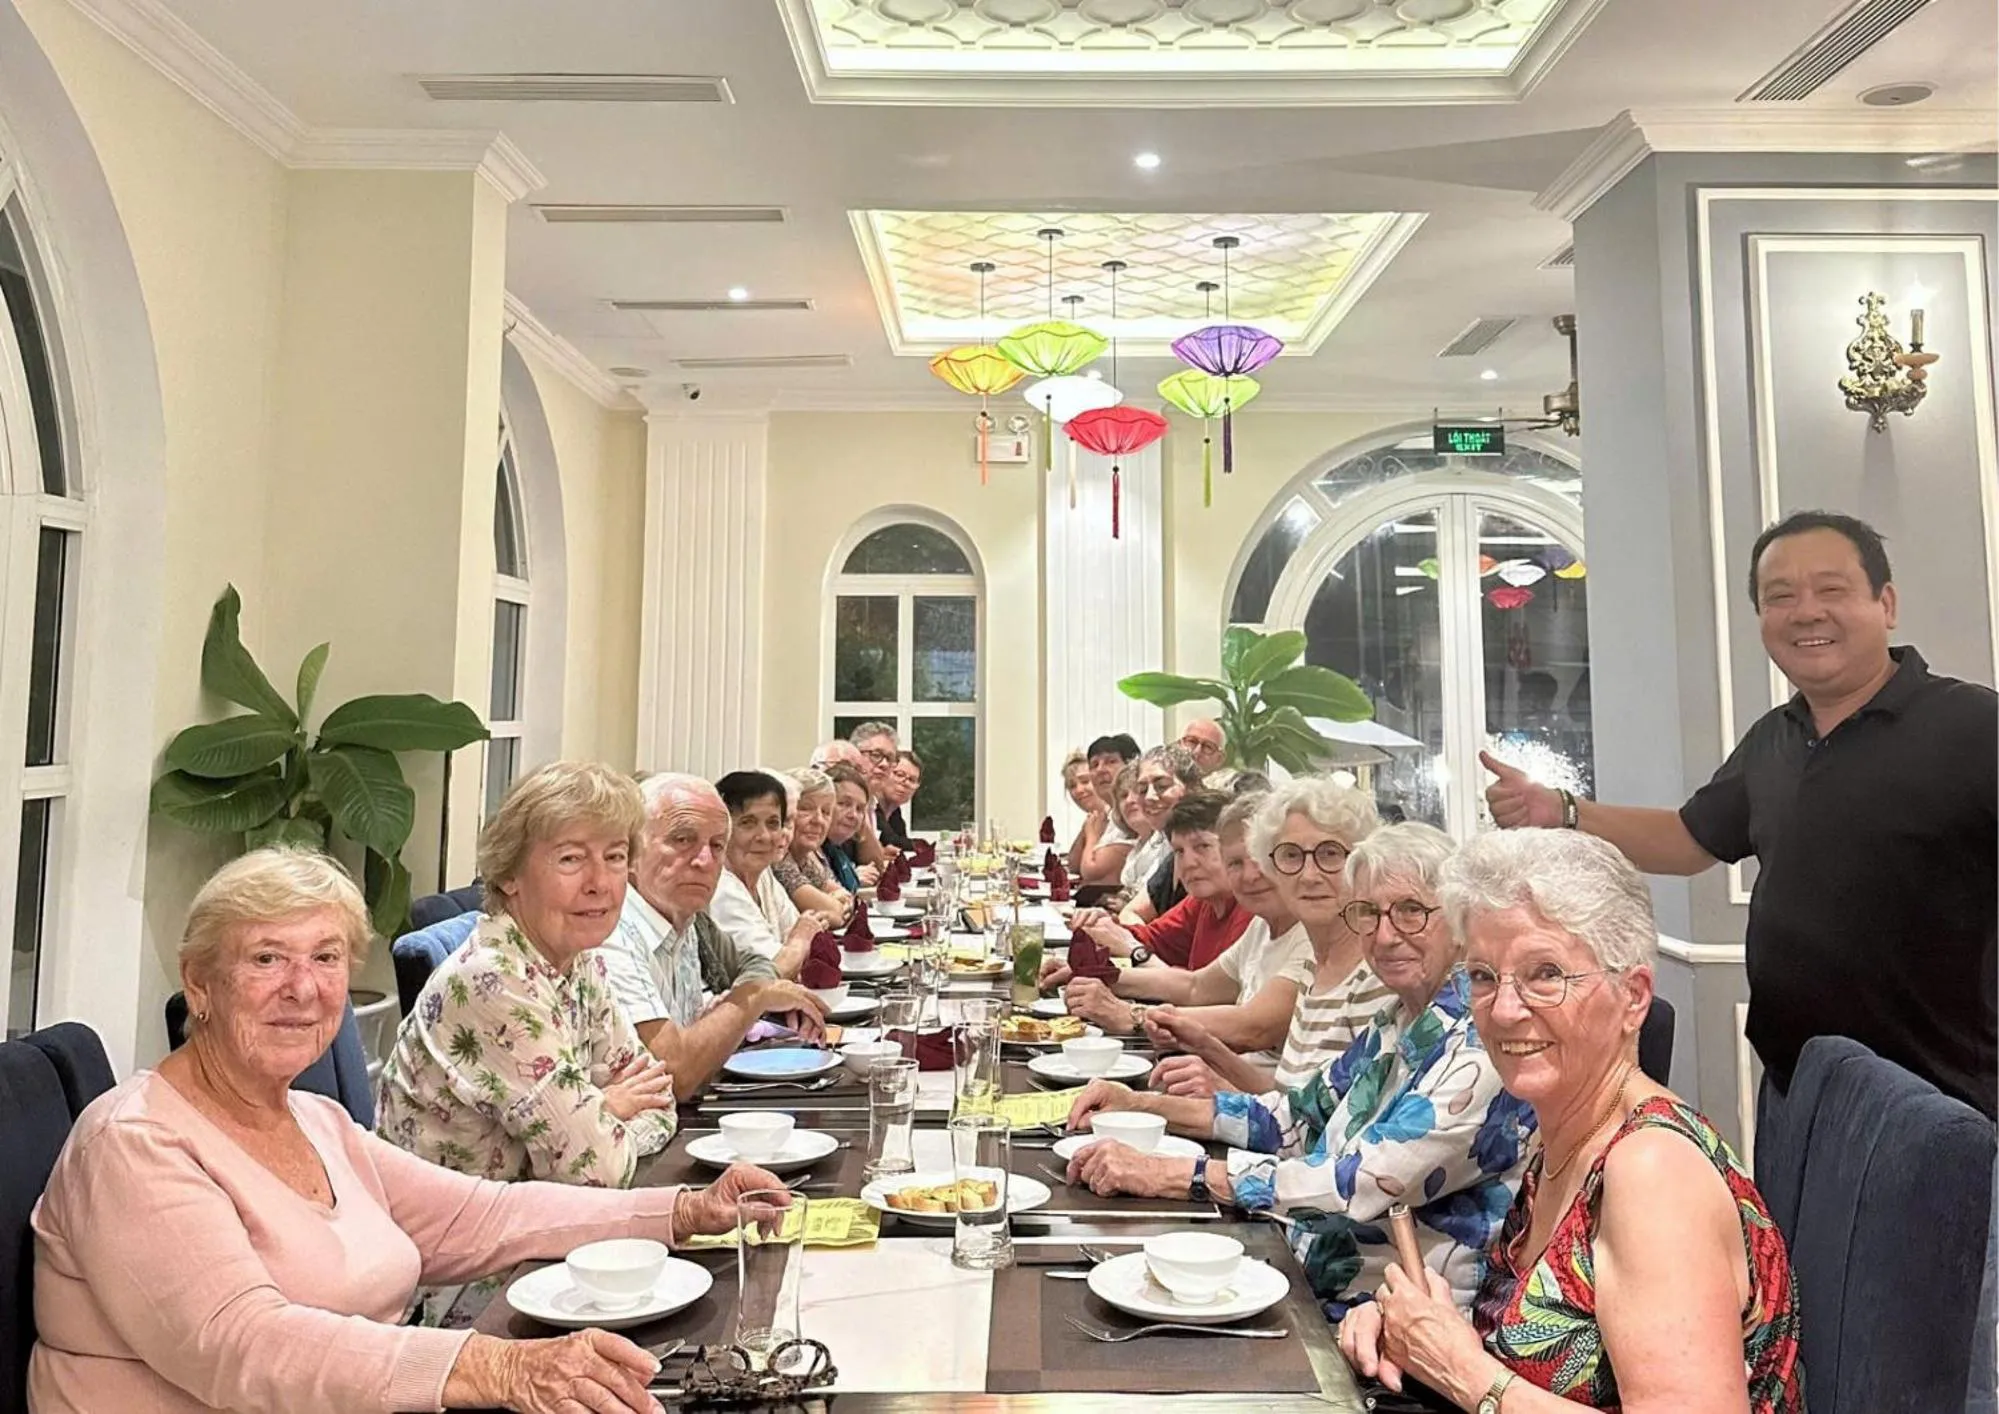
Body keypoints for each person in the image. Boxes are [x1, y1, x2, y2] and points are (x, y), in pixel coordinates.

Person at [28, 845, 790, 1414]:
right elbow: (244, 1346)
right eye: (266, 958)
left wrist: (682, 1212)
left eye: (326, 957)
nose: (303, 987)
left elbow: (481, 1215)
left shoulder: (310, 1117)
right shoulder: (135, 1143)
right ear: (200, 982)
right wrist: (495, 1369)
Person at [1483, 510, 1996, 1118]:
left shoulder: (1973, 726)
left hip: (1941, 1099)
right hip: (1795, 1086)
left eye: (1831, 590)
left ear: (1885, 603)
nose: (1806, 612)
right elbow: (1688, 838)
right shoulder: (1773, 740)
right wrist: (1562, 810)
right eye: (1780, 597)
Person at [1341, 828, 1803, 1413]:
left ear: (1633, 997)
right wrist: (1414, 1328)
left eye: (1546, 975)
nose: (1505, 1011)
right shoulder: (1564, 1134)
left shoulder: (1653, 1173)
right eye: (1483, 976)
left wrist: (1459, 1368)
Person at [1064, 822, 1533, 1321]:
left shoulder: (1484, 1045)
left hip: (1386, 1328)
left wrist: (1174, 1174)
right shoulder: (1399, 1020)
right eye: (1368, 914)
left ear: (1461, 923)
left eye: (1411, 912)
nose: (1385, 934)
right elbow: (1294, 1118)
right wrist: (1142, 1104)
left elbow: (1357, 1183)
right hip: (1305, 1275)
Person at [376, 762, 679, 1184]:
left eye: (614, 856)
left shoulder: (578, 960)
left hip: (530, 1223)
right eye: (571, 858)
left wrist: (594, 1115)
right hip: (460, 1240)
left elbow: (659, 1101)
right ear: (509, 875)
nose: (600, 882)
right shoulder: (493, 981)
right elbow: (596, 1170)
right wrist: (602, 1108)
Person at [1144, 776, 1395, 1097]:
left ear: (1362, 864)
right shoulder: (1316, 965)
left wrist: (1220, 1092)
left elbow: (1325, 1130)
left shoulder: (1378, 972)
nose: (1309, 875)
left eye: (1330, 853)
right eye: (1291, 856)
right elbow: (1294, 1102)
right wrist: (1209, 1050)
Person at [598, 773, 829, 1099]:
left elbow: (753, 965)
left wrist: (740, 1005)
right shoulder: (613, 932)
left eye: (717, 845)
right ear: (631, 850)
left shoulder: (686, 920)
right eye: (681, 840)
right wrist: (754, 997)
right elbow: (674, 1076)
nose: (704, 861)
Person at [1060, 792, 1311, 1069]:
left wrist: (1134, 1015)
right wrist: (1096, 974)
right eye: (1236, 863)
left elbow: (1253, 1027)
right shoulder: (1262, 924)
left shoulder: (1307, 931)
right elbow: (1195, 986)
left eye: (1260, 859)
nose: (1250, 875)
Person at [1045, 791, 1251, 992]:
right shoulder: (1201, 902)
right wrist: (1105, 928)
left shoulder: (1250, 910)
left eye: (1203, 846)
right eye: (1179, 851)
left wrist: (1132, 952)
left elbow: (1199, 993)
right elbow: (1148, 938)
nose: (1188, 863)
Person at [709, 768, 823, 976]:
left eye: (773, 824)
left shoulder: (763, 875)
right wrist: (801, 940)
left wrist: (802, 940)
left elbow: (811, 947)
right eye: (748, 823)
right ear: (721, 830)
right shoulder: (720, 889)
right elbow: (774, 971)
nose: (764, 836)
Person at [1118, 744, 1205, 921]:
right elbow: (1129, 913)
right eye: (1142, 790)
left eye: (1162, 785)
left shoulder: (1210, 851)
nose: (1149, 797)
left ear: (1192, 788)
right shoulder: (1173, 856)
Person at [773, 766, 855, 921]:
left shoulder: (806, 856)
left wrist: (837, 901)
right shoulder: (779, 859)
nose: (818, 820)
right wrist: (835, 903)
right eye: (805, 809)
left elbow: (848, 899)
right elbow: (837, 913)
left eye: (825, 812)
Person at [848, 720, 902, 865]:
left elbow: (874, 861)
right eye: (876, 755)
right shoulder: (837, 802)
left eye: (890, 759)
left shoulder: (873, 803)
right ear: (855, 757)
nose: (884, 765)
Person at [822, 762, 877, 889]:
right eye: (844, 804)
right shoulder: (810, 851)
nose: (853, 815)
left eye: (859, 809)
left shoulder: (837, 849)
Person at [1058, 749, 1100, 873]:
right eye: (1072, 786)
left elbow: (1092, 872)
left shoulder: (1114, 819)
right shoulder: (1092, 819)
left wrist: (1090, 835)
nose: (1079, 790)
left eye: (1085, 781)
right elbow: (1073, 865)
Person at [1178, 716, 1237, 789]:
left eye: (1208, 746)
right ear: (1179, 745)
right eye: (1192, 741)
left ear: (1220, 759)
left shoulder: (1225, 792)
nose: (1197, 752)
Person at [878, 750, 921, 850]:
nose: (905, 783)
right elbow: (890, 841)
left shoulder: (895, 814)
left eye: (912, 780)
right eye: (899, 775)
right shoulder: (869, 807)